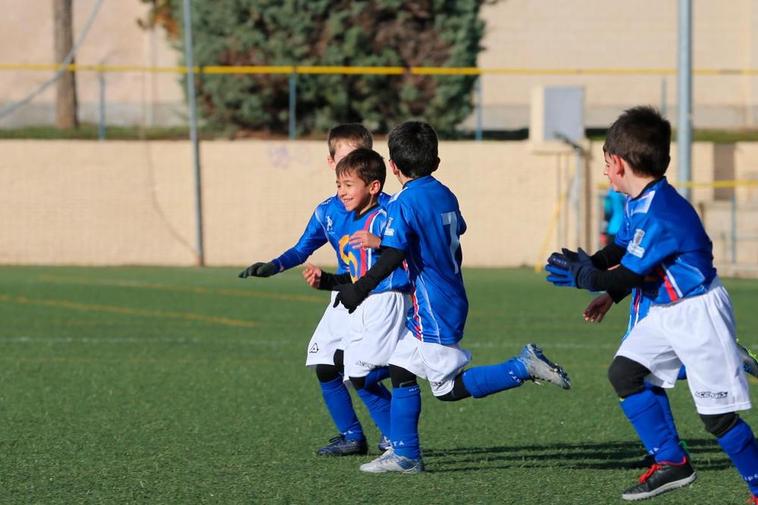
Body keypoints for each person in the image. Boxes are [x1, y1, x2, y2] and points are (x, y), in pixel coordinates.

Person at [332, 121, 572, 474]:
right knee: (400, 368)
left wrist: (359, 287)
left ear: (393, 167)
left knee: (445, 390)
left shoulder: (402, 203)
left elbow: (396, 256)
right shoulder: (444, 192)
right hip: (447, 293)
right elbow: (449, 230)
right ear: (437, 161)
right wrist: (385, 243)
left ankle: (521, 367)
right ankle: (405, 454)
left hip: (433, 305)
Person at [545, 106, 758, 502]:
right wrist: (592, 265)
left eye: (607, 164)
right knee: (624, 373)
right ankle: (672, 463)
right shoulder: (640, 200)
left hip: (698, 314)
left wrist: (587, 278)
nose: (606, 173)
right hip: (666, 311)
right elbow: (624, 250)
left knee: (717, 418)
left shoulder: (663, 212)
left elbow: (628, 274)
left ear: (622, 164)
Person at [238, 124, 392, 456]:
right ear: (330, 161)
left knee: (361, 369)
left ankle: (394, 433)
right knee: (324, 363)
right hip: (343, 293)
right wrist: (273, 266)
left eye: (356, 157)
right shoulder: (327, 211)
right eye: (344, 158)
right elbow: (301, 249)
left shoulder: (388, 208)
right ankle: (352, 436)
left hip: (377, 295)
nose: (349, 164)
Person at [302, 148, 412, 449]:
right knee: (345, 367)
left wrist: (381, 244)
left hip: (386, 299)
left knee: (360, 371)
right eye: (339, 185)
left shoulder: (384, 216)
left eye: (348, 185)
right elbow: (355, 274)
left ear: (373, 186)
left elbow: (399, 255)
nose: (341, 192)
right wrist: (327, 282)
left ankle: (398, 437)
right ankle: (387, 439)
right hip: (366, 300)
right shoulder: (351, 222)